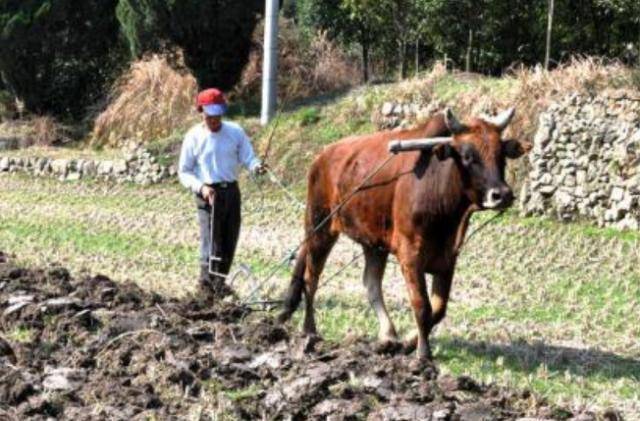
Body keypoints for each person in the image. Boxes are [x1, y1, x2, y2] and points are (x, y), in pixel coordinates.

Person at [178, 88, 266, 297]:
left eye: (217, 116)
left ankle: (220, 284)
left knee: (229, 240)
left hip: (231, 192)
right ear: (201, 112)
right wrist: (201, 187)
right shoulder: (193, 137)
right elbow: (184, 172)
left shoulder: (235, 132)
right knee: (211, 243)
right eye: (210, 116)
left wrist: (256, 166)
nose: (214, 120)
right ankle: (206, 288)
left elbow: (248, 157)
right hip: (208, 194)